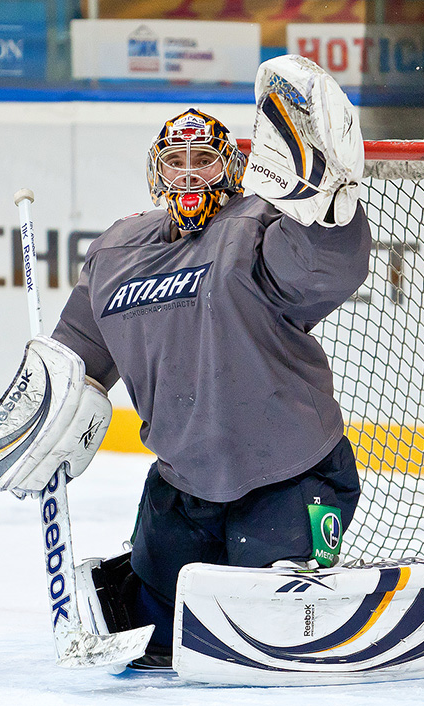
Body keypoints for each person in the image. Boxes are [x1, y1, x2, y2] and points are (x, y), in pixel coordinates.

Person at [48, 86, 372, 667]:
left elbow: (321, 267)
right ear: (157, 172)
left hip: (290, 473)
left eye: (205, 159)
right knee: (154, 633)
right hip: (184, 483)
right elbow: (76, 354)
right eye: (176, 160)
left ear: (234, 169)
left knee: (266, 624)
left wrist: (324, 207)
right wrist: (44, 408)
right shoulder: (118, 253)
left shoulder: (260, 227)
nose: (190, 174)